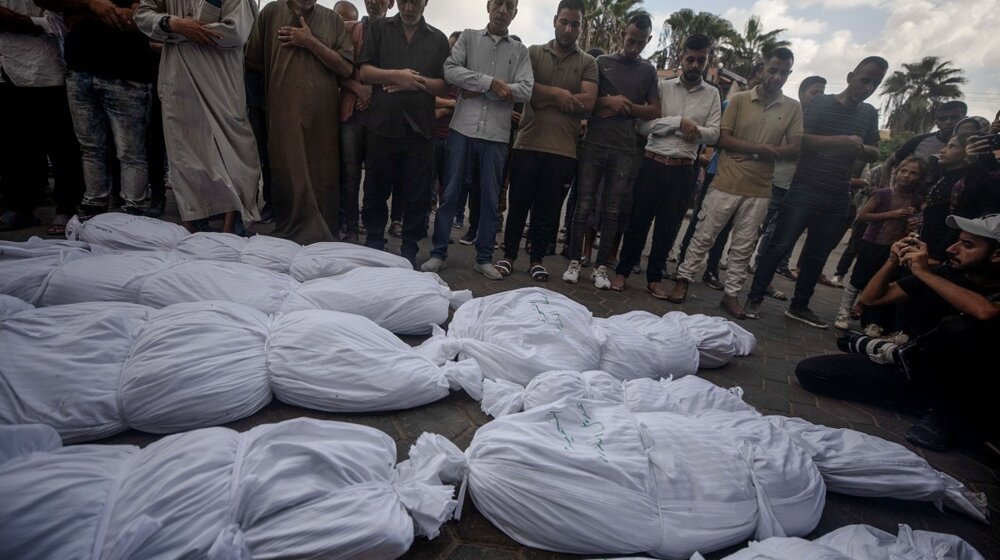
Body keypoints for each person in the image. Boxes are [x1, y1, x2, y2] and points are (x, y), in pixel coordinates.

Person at [796, 214, 1000, 452]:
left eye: (967, 246)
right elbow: (872, 298)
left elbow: (985, 311)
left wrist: (925, 273)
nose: (952, 249)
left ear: (996, 255)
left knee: (958, 327)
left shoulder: (942, 277)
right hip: (916, 370)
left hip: (972, 387)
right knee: (812, 372)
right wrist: (893, 260)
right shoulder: (947, 274)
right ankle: (923, 403)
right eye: (958, 241)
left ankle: (944, 417)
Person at [747, 56, 887, 327]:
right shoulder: (821, 103)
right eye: (864, 80)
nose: (868, 87)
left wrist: (858, 147)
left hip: (838, 193)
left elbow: (875, 150)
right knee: (779, 245)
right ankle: (754, 298)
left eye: (875, 83)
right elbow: (799, 140)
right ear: (850, 77)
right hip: (805, 187)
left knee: (817, 254)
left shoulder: (869, 113)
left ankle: (800, 306)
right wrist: (841, 141)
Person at [669, 47, 803, 319]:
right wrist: (768, 151)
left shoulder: (793, 107)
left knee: (743, 248)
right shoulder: (740, 100)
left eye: (784, 72)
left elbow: (795, 148)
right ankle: (683, 280)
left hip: (760, 190)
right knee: (703, 236)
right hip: (725, 183)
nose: (777, 77)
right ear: (762, 69)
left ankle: (731, 296)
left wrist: (753, 151)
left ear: (789, 74)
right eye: (773, 69)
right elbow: (722, 139)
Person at [422, 0, 533, 279]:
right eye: (498, 3)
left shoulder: (520, 51)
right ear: (488, 6)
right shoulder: (469, 38)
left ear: (515, 12)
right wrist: (489, 82)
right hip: (462, 129)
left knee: (490, 198)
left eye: (510, 6)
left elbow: (527, 89)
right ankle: (438, 253)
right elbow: (450, 70)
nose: (503, 10)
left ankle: (483, 258)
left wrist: (485, 88)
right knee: (449, 193)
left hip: (496, 135)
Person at [491, 0, 596, 282]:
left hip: (563, 150)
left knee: (547, 211)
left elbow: (587, 102)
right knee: (518, 205)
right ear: (554, 21)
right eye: (564, 21)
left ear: (580, 27)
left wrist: (548, 95)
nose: (568, 28)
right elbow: (526, 92)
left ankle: (537, 260)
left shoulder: (588, 62)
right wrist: (562, 96)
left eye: (575, 23)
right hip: (527, 143)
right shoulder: (534, 53)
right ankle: (509, 256)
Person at [136, 0, 262, 235]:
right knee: (185, 154)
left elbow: (236, 33)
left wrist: (177, 34)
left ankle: (229, 227)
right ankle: (191, 224)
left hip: (222, 82)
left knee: (233, 153)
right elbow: (143, 15)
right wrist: (173, 24)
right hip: (179, 79)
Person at [610, 33, 721, 296]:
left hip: (684, 169)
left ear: (707, 61)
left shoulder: (713, 95)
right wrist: (678, 122)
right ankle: (622, 272)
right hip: (653, 163)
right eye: (690, 59)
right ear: (681, 58)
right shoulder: (662, 87)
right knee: (638, 222)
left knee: (668, 226)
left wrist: (690, 129)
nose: (695, 65)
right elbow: (643, 125)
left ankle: (654, 279)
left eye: (701, 60)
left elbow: (714, 134)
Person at [561, 13, 660, 289]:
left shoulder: (649, 71)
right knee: (583, 205)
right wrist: (608, 101)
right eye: (631, 40)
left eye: (641, 42)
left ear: (648, 40)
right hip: (594, 143)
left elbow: (655, 109)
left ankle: (601, 267)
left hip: (625, 149)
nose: (634, 46)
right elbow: (587, 100)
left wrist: (626, 106)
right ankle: (575, 261)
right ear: (622, 35)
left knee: (613, 211)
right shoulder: (600, 63)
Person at [37, 0, 158, 219]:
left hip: (128, 72)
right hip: (81, 68)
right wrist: (91, 4)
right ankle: (94, 206)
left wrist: (84, 12)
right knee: (91, 147)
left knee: (130, 150)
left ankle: (133, 211)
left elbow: (141, 17)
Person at [247, 0, 354, 244]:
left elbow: (346, 68)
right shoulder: (271, 13)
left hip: (323, 116)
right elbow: (252, 59)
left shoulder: (333, 21)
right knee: (286, 171)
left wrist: (310, 43)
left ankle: (322, 236)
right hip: (282, 112)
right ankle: (288, 230)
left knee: (323, 176)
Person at [358, 0, 450, 267]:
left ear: (426, 2)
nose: (409, 7)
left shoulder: (438, 39)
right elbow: (364, 72)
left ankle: (409, 250)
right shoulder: (379, 29)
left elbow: (444, 86)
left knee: (417, 194)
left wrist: (416, 82)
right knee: (376, 188)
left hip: (420, 129)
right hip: (382, 125)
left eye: (416, 1)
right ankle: (374, 243)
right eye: (404, 1)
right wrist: (396, 75)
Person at [0, 2, 84, 233]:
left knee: (61, 146)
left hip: (44, 71)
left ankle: (67, 207)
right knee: (16, 147)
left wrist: (16, 20)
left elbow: (58, 24)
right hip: (6, 71)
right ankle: (21, 207)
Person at [833, 156, 926, 331]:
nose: (907, 176)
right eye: (904, 171)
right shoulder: (882, 194)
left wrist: (911, 224)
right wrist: (893, 214)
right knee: (858, 279)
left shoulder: (916, 200)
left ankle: (871, 319)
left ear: (920, 179)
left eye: (913, 173)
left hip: (895, 248)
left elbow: (910, 223)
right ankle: (843, 311)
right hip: (873, 243)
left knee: (883, 282)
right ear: (896, 172)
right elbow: (863, 216)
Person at [755, 75, 827, 289]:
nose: (819, 97)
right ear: (801, 93)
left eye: (822, 93)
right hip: (777, 181)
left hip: (800, 187)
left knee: (781, 233)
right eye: (815, 92)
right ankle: (742, 265)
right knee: (759, 226)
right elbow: (779, 147)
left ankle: (764, 271)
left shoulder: (821, 123)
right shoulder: (789, 114)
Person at [337, 0, 394, 244]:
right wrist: (359, 89)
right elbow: (337, 70)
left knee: (376, 178)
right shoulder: (349, 30)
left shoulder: (398, 34)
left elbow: (400, 76)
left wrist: (373, 93)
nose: (373, 1)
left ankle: (373, 234)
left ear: (391, 3)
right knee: (349, 177)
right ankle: (350, 227)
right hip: (352, 114)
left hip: (380, 118)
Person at [882, 100, 966, 185]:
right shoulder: (918, 141)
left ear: (965, 119)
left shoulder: (971, 144)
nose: (948, 122)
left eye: (954, 117)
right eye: (943, 119)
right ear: (937, 123)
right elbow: (889, 163)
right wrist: (888, 191)